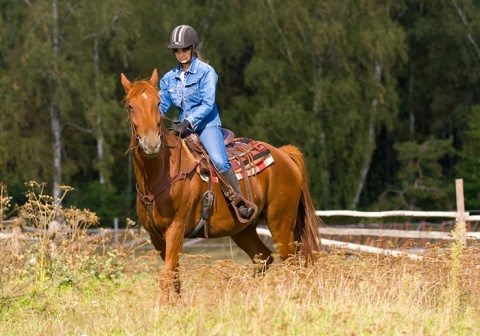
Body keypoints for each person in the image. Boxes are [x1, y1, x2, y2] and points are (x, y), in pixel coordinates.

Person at [158, 25, 254, 220]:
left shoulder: (206, 72)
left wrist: (188, 121)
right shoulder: (168, 79)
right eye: (177, 50)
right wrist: (150, 119)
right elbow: (163, 105)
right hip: (181, 127)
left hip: (206, 125)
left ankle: (239, 201)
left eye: (184, 49)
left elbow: (208, 103)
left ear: (192, 48)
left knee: (219, 160)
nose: (180, 54)